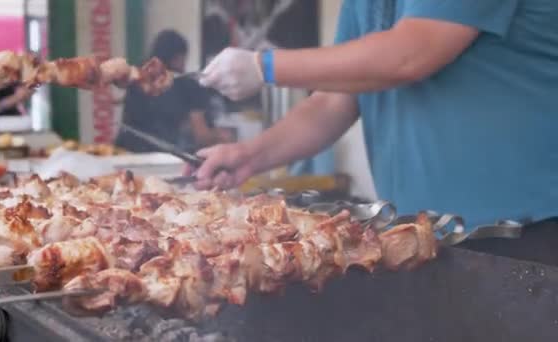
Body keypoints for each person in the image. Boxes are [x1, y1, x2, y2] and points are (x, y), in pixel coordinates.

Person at [191, 0, 558, 229]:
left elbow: (411, 54)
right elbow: (335, 100)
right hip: (427, 230)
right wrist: (250, 155)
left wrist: (264, 67)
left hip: (528, 229)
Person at [115, 30, 233, 153]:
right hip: (159, 158)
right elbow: (201, 137)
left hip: (124, 152)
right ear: (178, 57)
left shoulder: (137, 77)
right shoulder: (188, 85)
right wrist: (222, 136)